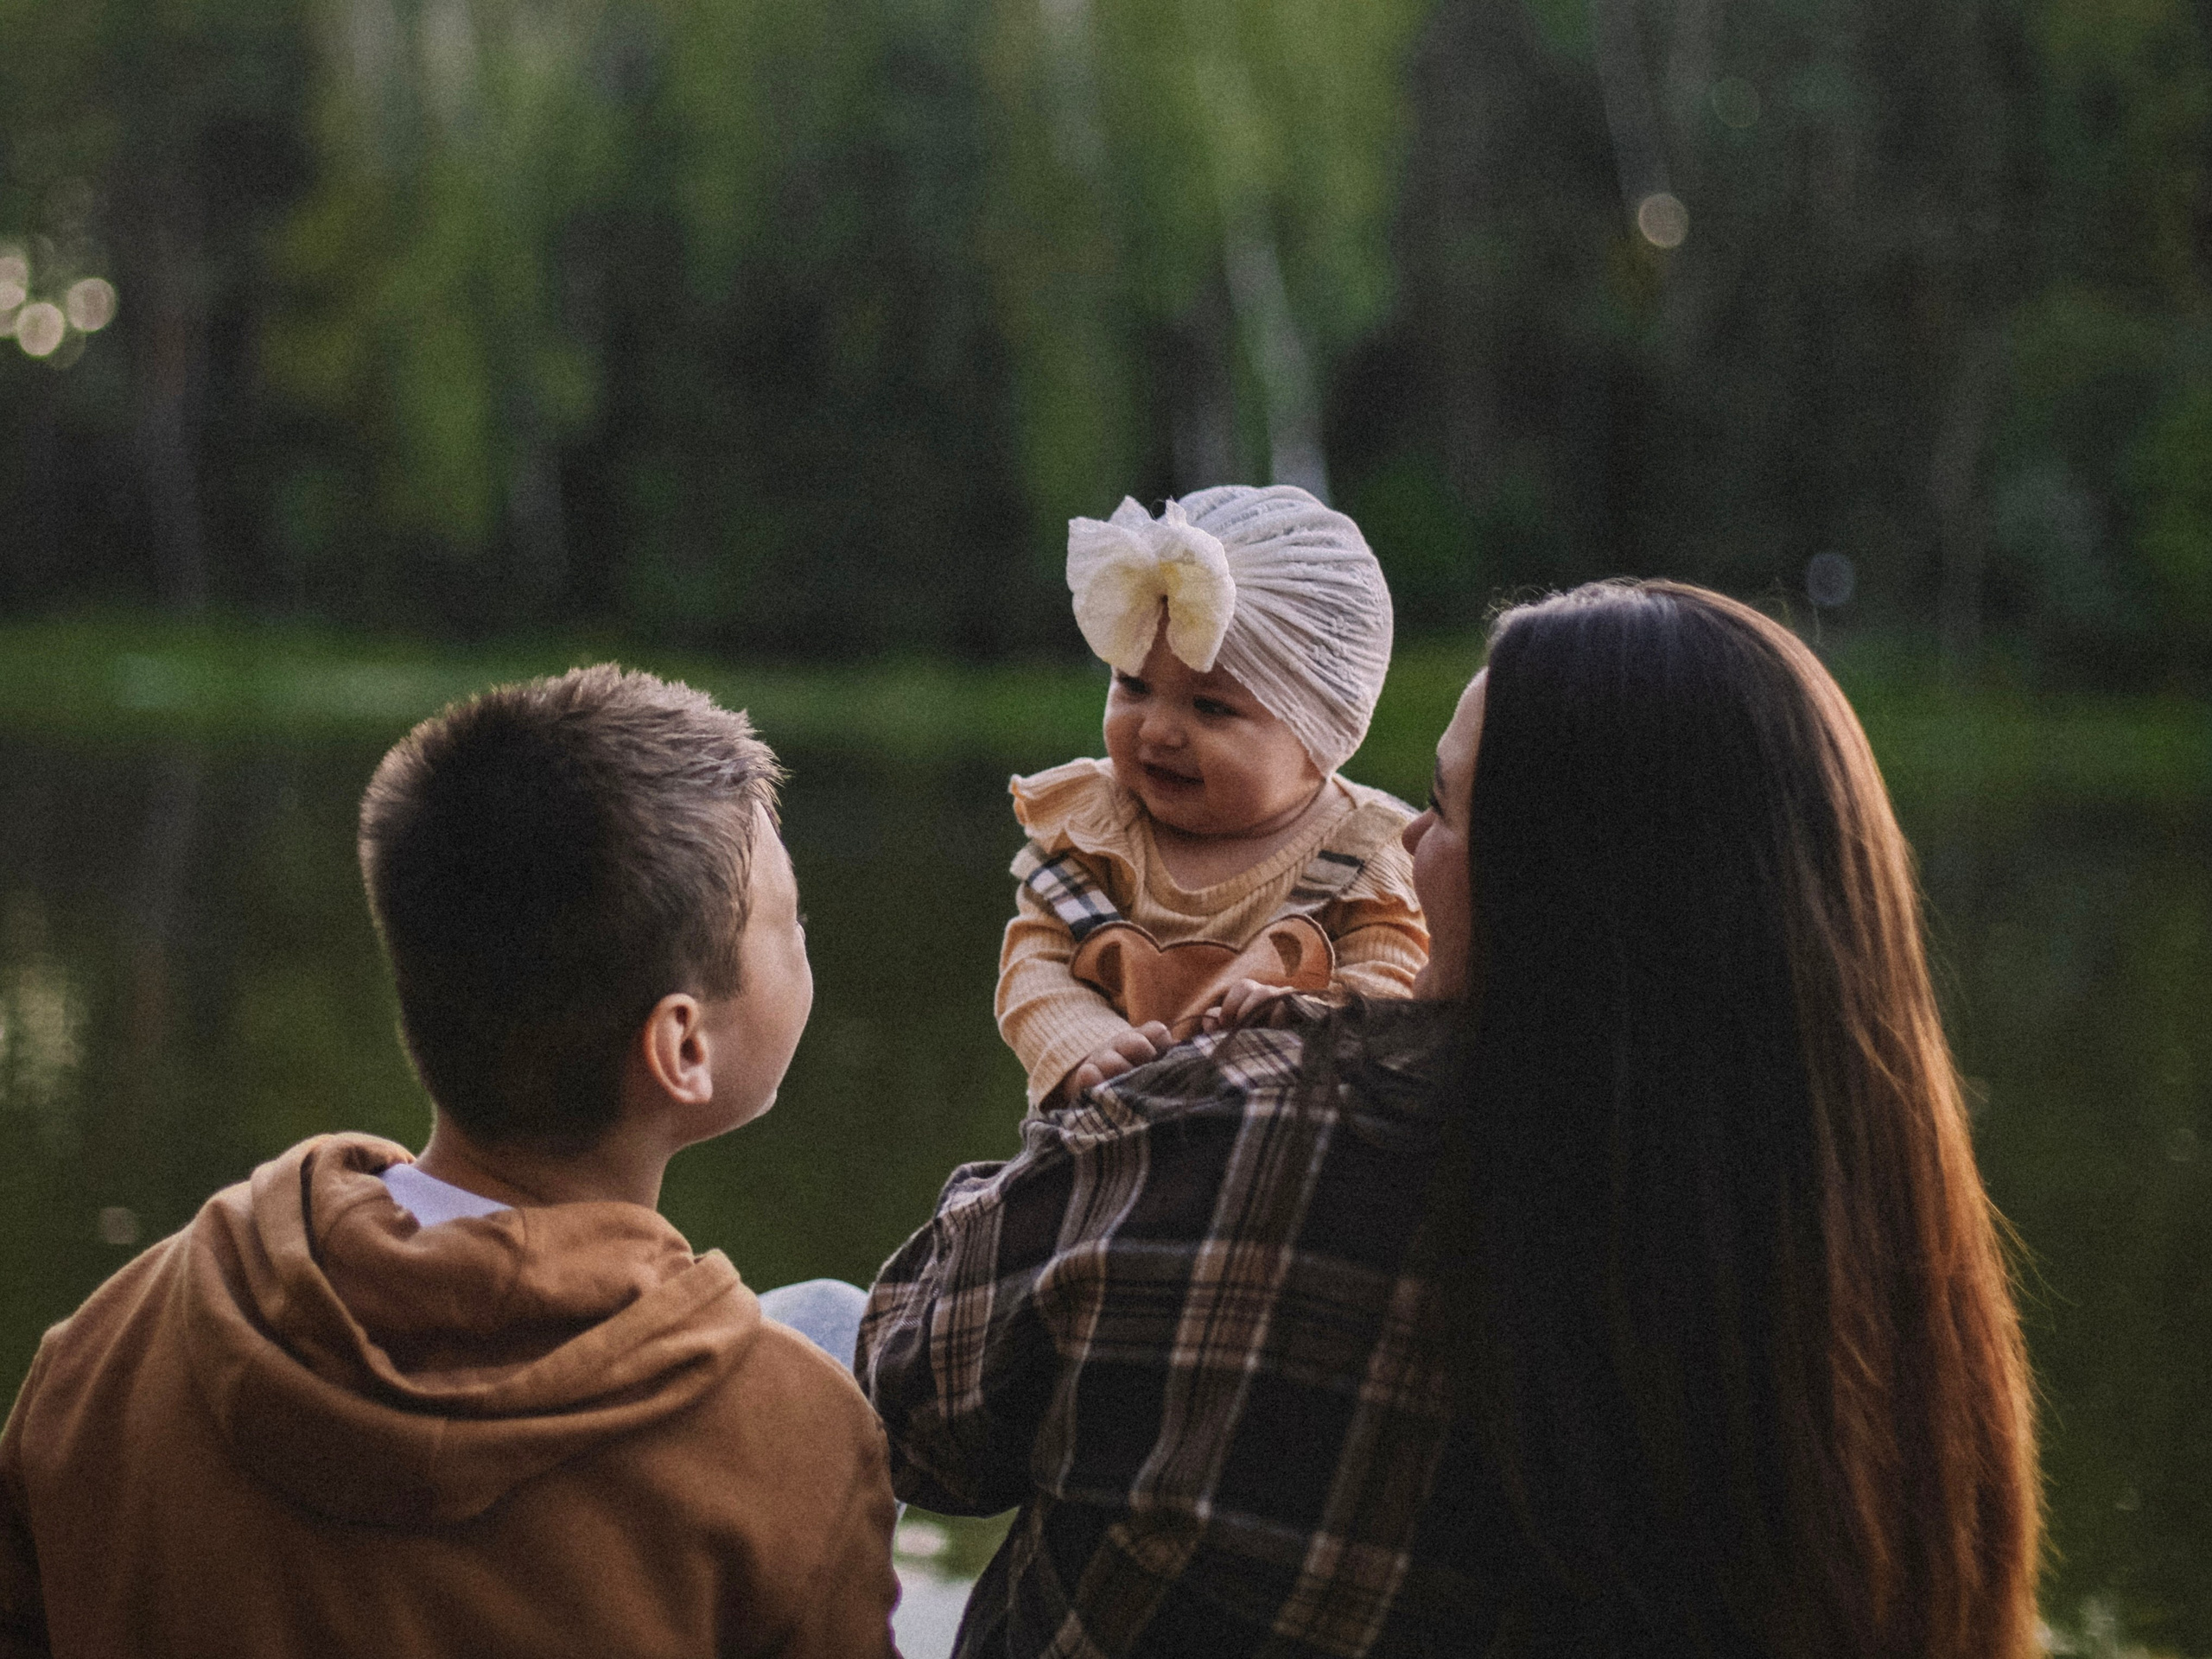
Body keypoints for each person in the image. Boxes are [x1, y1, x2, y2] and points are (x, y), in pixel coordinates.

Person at [863, 581, 2042, 1657]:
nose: (1406, 853)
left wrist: (1107, 1113)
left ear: (1558, 891)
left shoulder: (1262, 1123)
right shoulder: (1892, 1318)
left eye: (1440, 810)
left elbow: (917, 1408)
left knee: (806, 1331)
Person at [0, 666, 902, 1658]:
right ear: (682, 1049)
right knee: (836, 1324)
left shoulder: (112, 1341)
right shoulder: (786, 1444)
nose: (805, 940)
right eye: (793, 921)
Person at [999, 485, 1428, 1109]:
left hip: (1281, 1140)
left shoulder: (1365, 854)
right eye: (1133, 685)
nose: (1158, 729)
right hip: (1105, 1142)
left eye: (1211, 707)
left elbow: (1395, 982)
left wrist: (1316, 1016)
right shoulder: (1098, 826)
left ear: (1320, 732)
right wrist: (1083, 1044)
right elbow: (1036, 963)